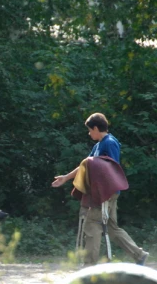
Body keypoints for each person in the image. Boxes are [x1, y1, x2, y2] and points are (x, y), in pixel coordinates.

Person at [51, 113, 149, 266]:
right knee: (112, 228)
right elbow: (85, 165)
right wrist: (66, 177)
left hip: (105, 194)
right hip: (106, 194)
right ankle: (139, 255)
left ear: (96, 128)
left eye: (90, 130)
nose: (89, 133)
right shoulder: (98, 145)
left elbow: (112, 169)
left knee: (91, 225)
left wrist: (103, 193)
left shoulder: (109, 143)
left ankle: (89, 266)